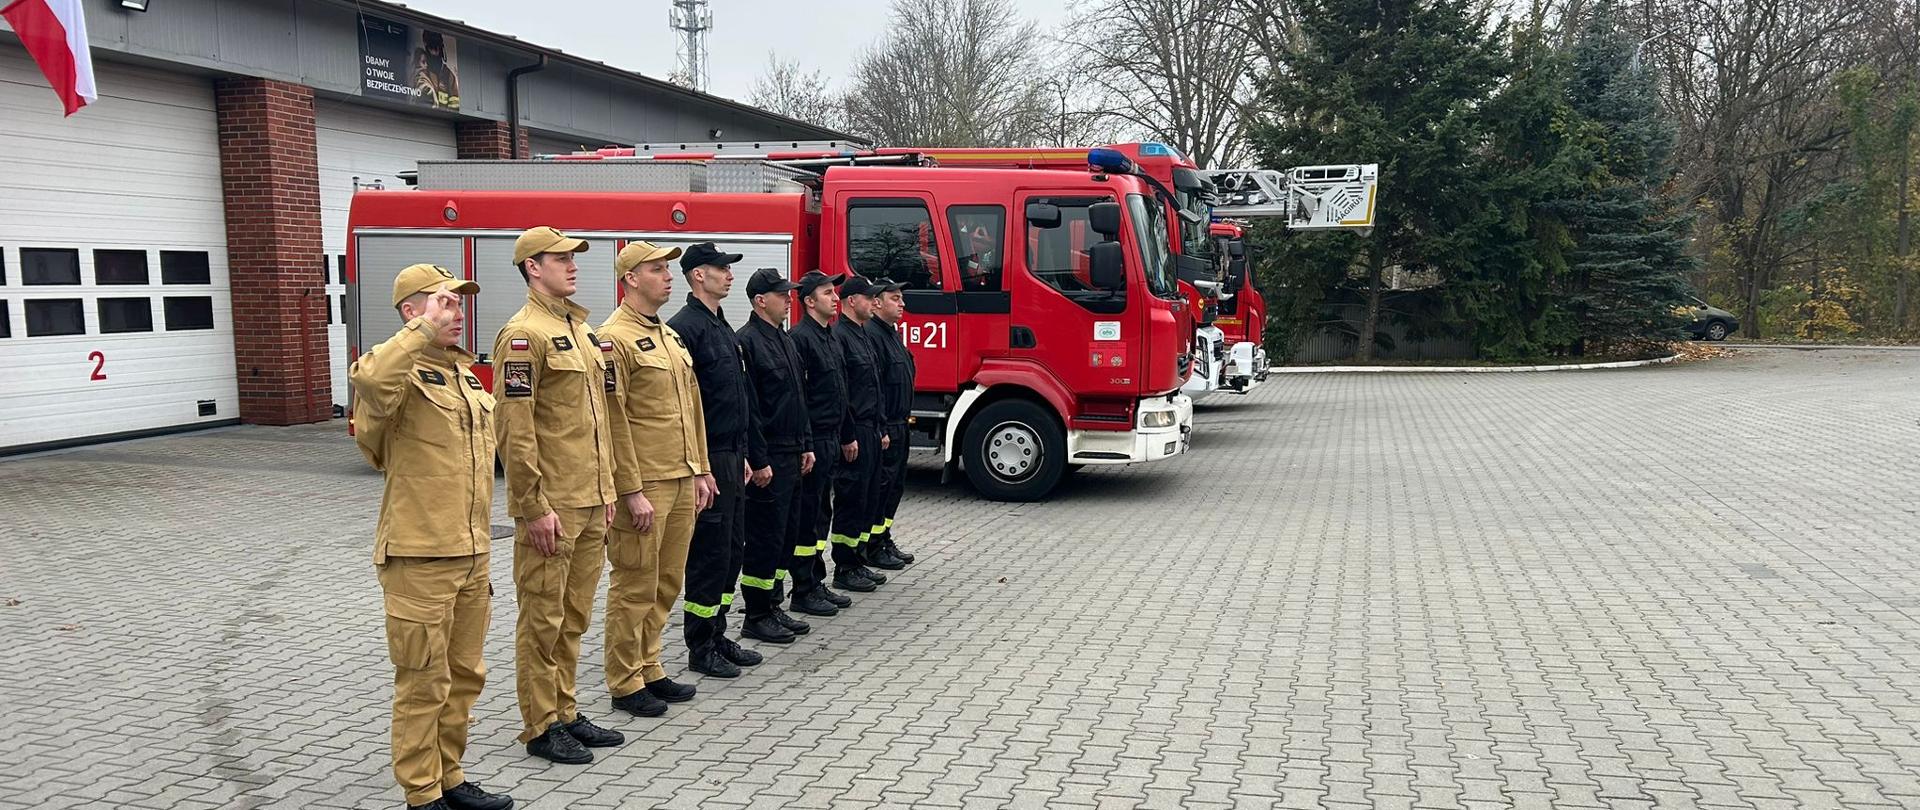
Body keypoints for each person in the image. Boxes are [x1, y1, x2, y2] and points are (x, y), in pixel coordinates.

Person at [350, 265, 512, 810]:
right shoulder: (394, 375)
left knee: (464, 677)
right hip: (419, 556)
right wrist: (420, 333)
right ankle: (422, 793)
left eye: (460, 303)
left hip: (471, 552)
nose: (456, 313)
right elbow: (370, 381)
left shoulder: (464, 376)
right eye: (444, 303)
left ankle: (451, 776)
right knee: (423, 681)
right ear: (410, 312)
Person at [491, 227, 625, 765]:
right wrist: (532, 506)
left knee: (573, 616)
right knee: (542, 618)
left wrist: (609, 489)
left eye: (573, 258)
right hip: (554, 506)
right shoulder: (523, 335)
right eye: (560, 258)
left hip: (591, 500)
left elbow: (598, 423)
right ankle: (540, 725)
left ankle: (566, 709)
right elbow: (515, 430)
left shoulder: (580, 329)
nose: (572, 265)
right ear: (532, 268)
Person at [598, 241, 716, 719]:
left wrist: (702, 469)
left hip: (680, 478)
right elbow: (613, 421)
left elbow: (692, 410)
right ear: (630, 278)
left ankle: (649, 665)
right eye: (656, 269)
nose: (668, 276)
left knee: (666, 581)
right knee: (634, 584)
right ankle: (624, 680)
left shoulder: (668, 338)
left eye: (668, 269)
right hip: (644, 485)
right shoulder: (613, 339)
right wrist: (629, 490)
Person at [666, 242, 766, 678]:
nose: (729, 275)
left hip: (732, 454)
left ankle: (718, 631)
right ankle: (699, 644)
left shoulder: (721, 325)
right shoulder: (684, 328)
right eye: (720, 268)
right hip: (708, 458)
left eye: (729, 268)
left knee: (731, 551)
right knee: (708, 554)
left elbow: (736, 396)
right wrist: (701, 465)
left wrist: (743, 453)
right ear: (697, 276)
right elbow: (684, 407)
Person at [734, 268, 816, 644]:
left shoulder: (784, 340)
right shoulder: (747, 342)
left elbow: (799, 398)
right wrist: (759, 458)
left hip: (792, 451)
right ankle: (755, 613)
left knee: (784, 535)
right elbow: (749, 408)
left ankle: (773, 605)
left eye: (790, 293)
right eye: (782, 294)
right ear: (759, 300)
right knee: (765, 537)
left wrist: (806, 444)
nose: (789, 299)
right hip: (770, 456)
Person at [786, 270, 854, 616]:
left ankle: (816, 580)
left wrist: (846, 434)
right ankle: (802, 588)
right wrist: (807, 443)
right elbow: (801, 399)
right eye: (827, 293)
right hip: (812, 441)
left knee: (820, 515)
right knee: (807, 518)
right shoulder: (801, 339)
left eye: (835, 292)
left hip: (830, 438)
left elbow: (838, 392)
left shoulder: (829, 337)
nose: (835, 297)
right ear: (809, 301)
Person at [828, 275, 890, 593]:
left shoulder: (863, 334)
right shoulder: (840, 336)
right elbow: (843, 394)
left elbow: (873, 386)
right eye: (869, 298)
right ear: (852, 301)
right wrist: (848, 434)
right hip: (853, 432)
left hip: (870, 429)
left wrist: (880, 428)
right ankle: (844, 565)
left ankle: (857, 560)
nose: (874, 302)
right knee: (851, 500)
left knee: (866, 499)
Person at [863, 278, 916, 568]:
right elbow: (875, 388)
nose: (902, 304)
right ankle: (872, 546)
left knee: (894, 487)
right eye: (895, 298)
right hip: (887, 426)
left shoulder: (892, 334)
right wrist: (881, 427)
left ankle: (883, 537)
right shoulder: (872, 335)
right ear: (877, 303)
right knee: (881, 488)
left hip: (900, 423)